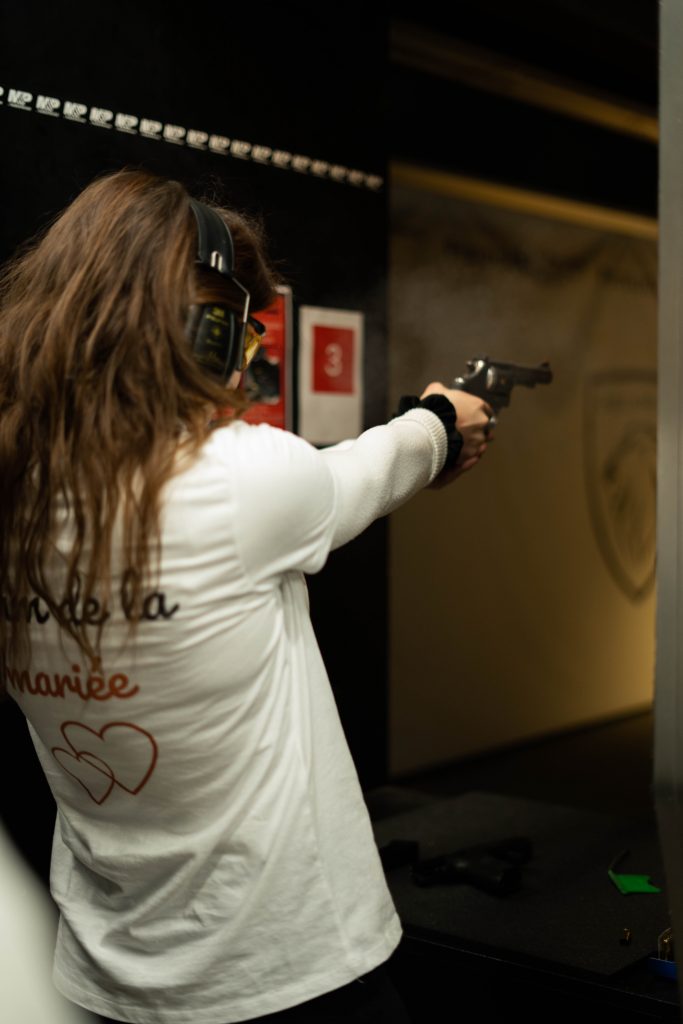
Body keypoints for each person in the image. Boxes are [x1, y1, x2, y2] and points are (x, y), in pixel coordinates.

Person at [0, 169, 492, 1024]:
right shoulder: (238, 479)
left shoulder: (14, 486)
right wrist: (441, 422)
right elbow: (368, 471)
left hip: (105, 983)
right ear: (203, 333)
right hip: (287, 974)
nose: (246, 355)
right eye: (234, 325)